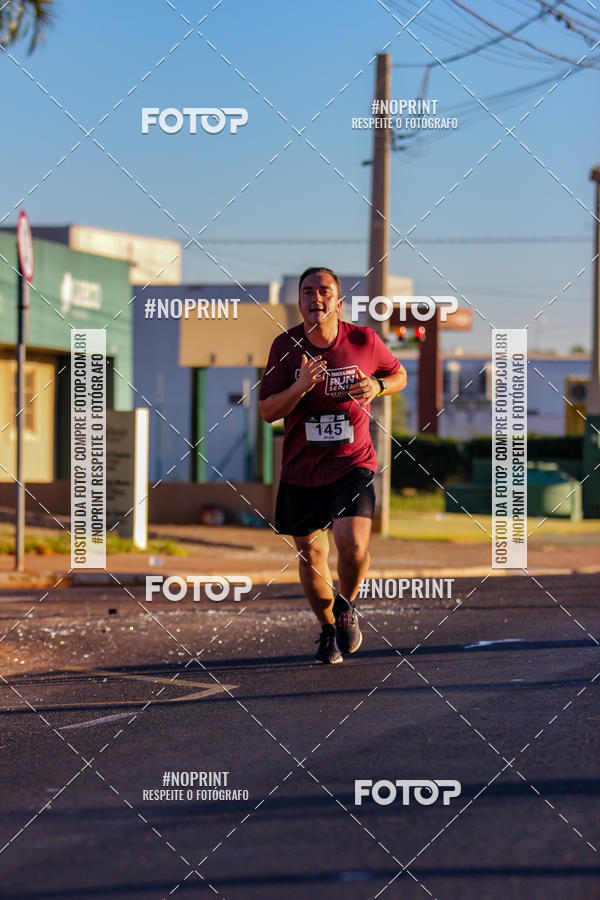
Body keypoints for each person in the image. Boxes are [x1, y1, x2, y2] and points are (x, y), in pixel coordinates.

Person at [258, 267, 407, 663]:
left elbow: (399, 375)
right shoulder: (284, 347)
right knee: (312, 556)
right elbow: (267, 410)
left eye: (324, 291)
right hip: (302, 470)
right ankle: (326, 628)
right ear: (300, 302)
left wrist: (377, 386)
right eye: (307, 292)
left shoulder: (364, 341)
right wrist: (300, 386)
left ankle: (347, 606)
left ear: (339, 303)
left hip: (351, 463)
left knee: (354, 544)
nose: (315, 298)